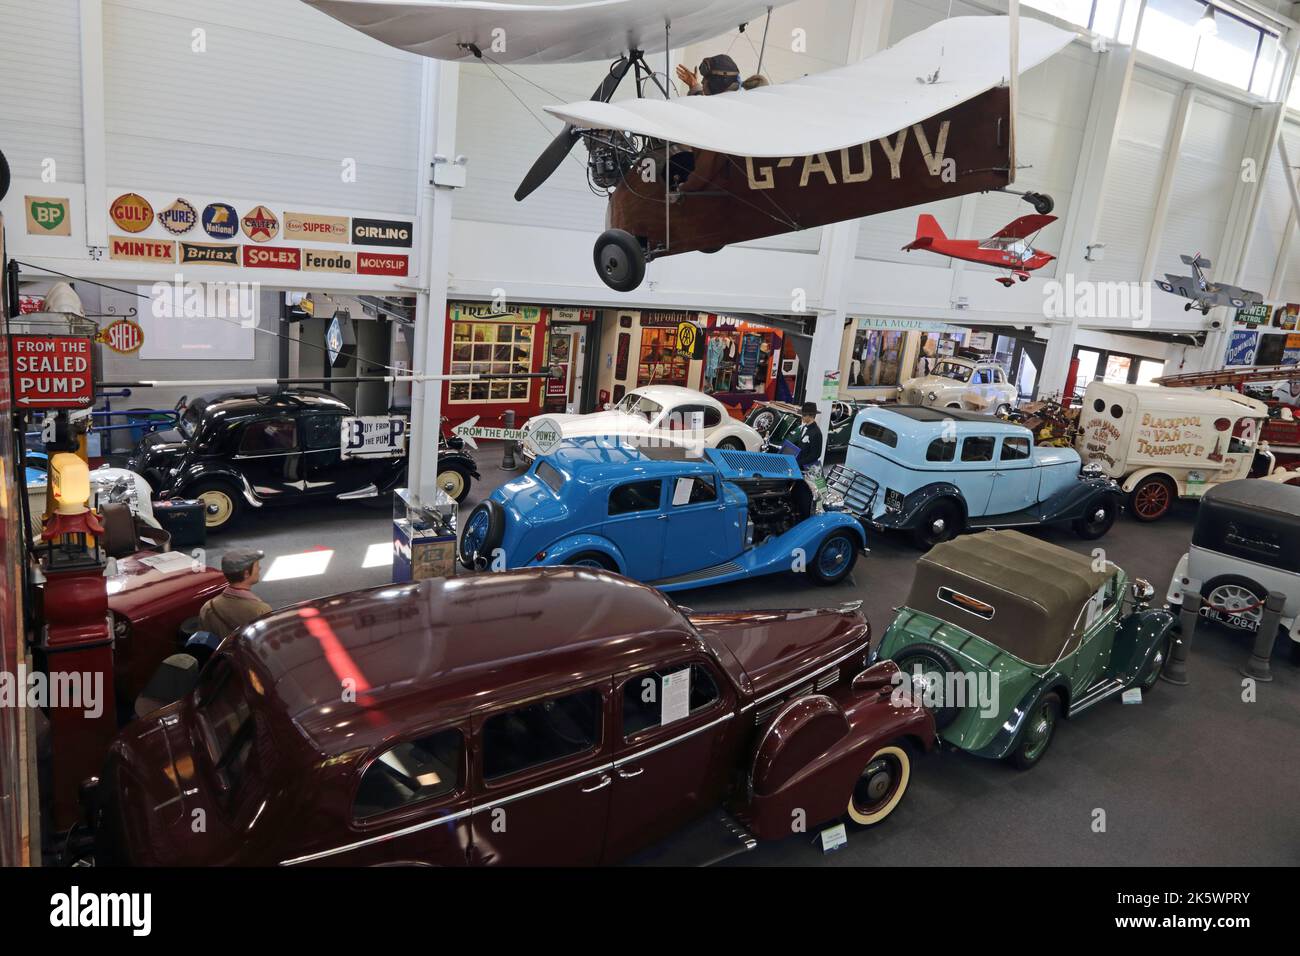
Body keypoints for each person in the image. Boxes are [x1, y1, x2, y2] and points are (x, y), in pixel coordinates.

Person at [199, 548, 273, 637]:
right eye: (257, 565)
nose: (260, 568)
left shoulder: (208, 607)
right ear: (246, 574)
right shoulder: (260, 610)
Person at [792, 401, 824, 471]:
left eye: (803, 415)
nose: (802, 417)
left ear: (811, 416)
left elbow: (815, 455)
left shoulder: (816, 433)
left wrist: (798, 463)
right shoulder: (804, 427)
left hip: (808, 469)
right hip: (799, 465)